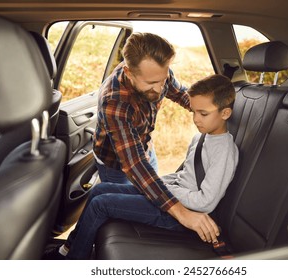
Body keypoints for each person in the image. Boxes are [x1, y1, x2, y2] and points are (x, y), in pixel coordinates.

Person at [43, 74, 239, 259]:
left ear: (225, 113)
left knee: (100, 205)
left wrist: (162, 191)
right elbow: (183, 176)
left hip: (185, 216)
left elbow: (205, 202)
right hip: (174, 199)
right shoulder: (200, 137)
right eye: (194, 111)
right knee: (100, 189)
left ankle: (75, 260)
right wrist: (156, 186)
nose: (196, 119)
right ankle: (67, 249)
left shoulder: (224, 150)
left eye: (203, 113)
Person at [90, 32, 223, 243]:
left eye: (163, 79)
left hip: (144, 148)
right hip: (115, 162)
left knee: (150, 196)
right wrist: (183, 214)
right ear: (129, 73)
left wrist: (212, 113)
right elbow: (135, 165)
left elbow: (183, 95)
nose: (161, 88)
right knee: (118, 211)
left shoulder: (159, 74)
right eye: (152, 83)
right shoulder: (115, 101)